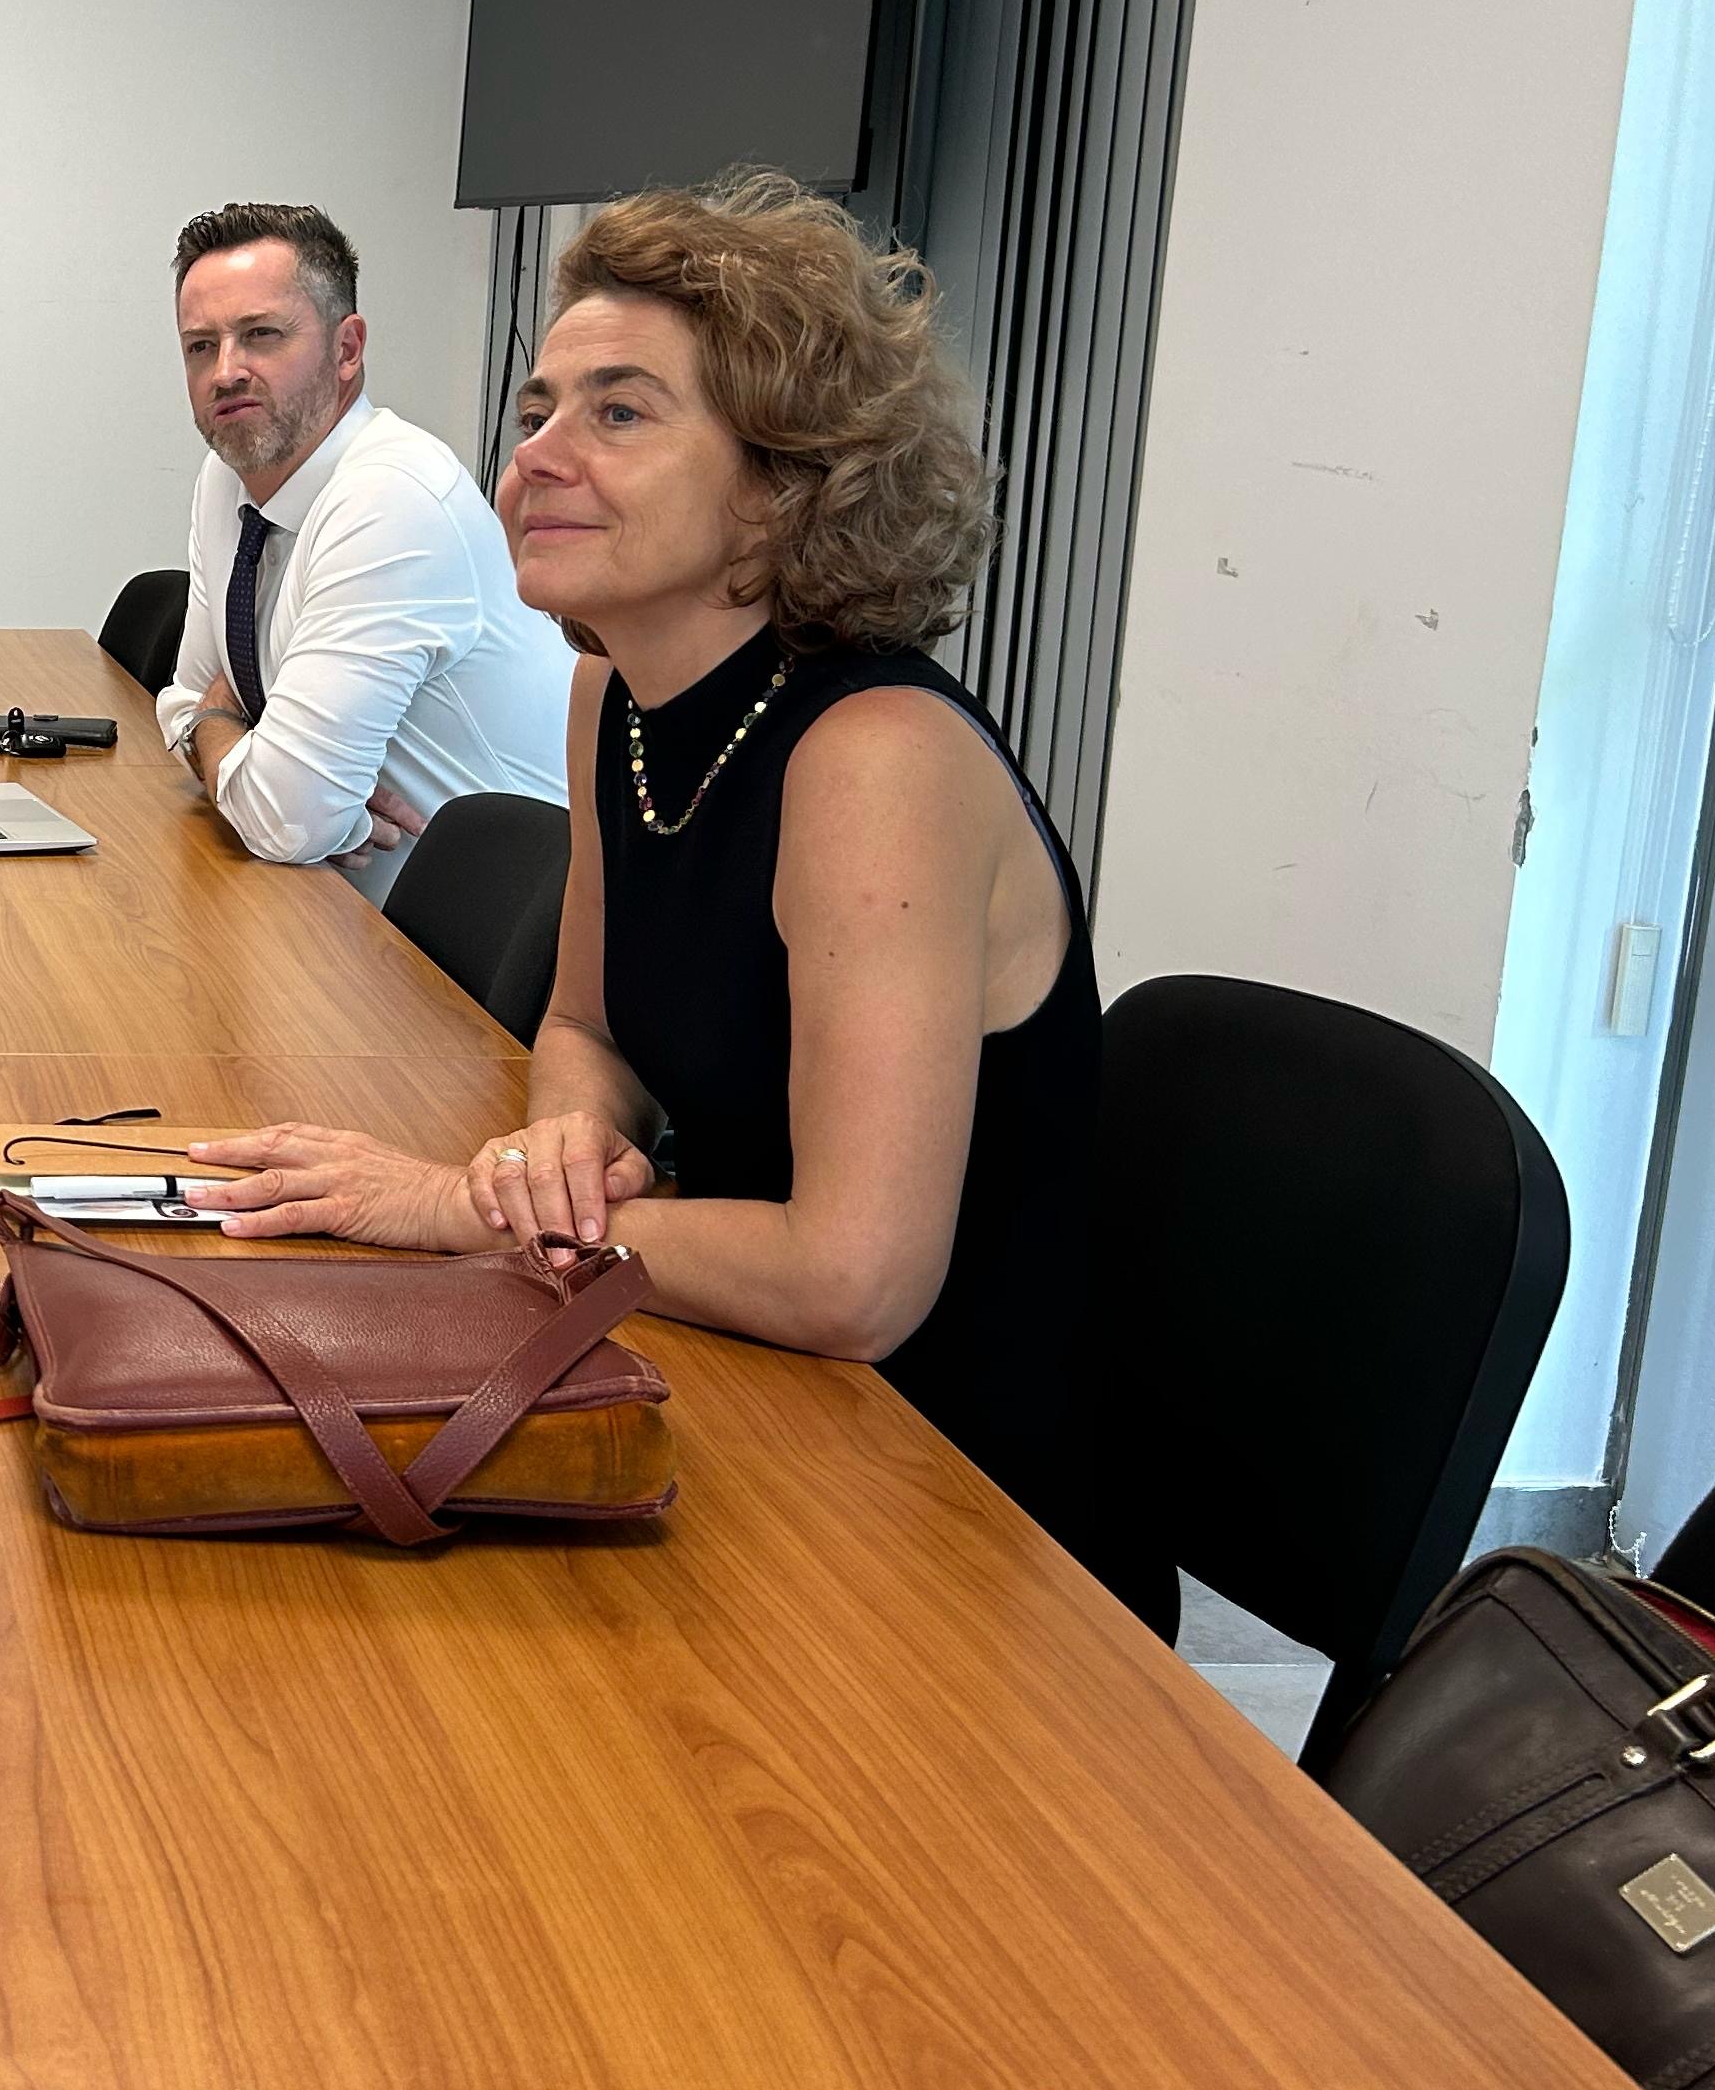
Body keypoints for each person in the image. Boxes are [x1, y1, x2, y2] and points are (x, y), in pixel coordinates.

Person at [183, 174, 1166, 1629]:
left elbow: (853, 1280)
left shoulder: (877, 759)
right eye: (537, 412)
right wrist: (568, 1141)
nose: (535, 457)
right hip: (741, 1383)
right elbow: (588, 1022)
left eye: (620, 414)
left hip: (960, 1521)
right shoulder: (615, 697)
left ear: (783, 482)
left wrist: (463, 1208)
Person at [149, 201, 572, 894]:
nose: (226, 371)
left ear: (347, 349)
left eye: (260, 335)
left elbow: (285, 819)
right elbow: (184, 700)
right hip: (323, 900)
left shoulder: (392, 496)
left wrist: (220, 727)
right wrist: (235, 741)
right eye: (201, 346)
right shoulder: (227, 479)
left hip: (474, 934)